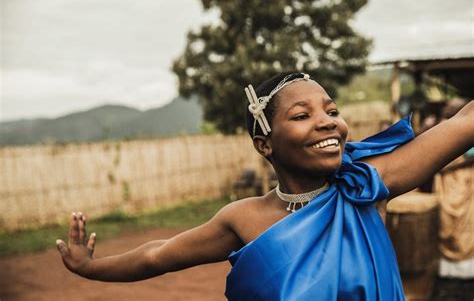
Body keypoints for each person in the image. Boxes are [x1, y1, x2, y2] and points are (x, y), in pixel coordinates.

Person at [56, 73, 474, 300]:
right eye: (301, 115)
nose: (328, 121)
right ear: (265, 143)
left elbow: (462, 124)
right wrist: (91, 268)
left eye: (332, 110)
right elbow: (157, 256)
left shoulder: (366, 185)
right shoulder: (243, 218)